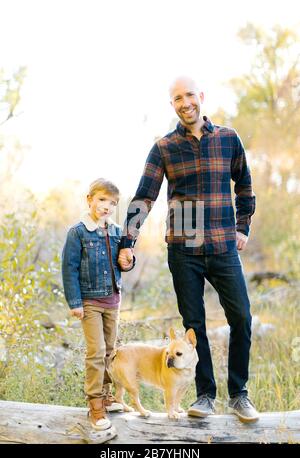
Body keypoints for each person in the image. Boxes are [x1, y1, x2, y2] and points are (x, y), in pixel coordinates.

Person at [118, 76, 259, 423]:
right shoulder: (164, 147)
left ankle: (239, 395)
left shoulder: (228, 138)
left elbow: (245, 185)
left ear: (202, 97)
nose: (185, 102)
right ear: (173, 105)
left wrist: (242, 227)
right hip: (184, 248)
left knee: (240, 316)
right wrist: (127, 242)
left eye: (190, 95)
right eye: (177, 98)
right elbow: (144, 196)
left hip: (224, 245)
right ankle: (205, 394)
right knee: (194, 323)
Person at [62, 178, 135, 431]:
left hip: (112, 300)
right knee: (95, 351)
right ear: (90, 199)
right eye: (102, 200)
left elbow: (122, 262)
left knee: (110, 350)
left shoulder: (116, 232)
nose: (107, 206)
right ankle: (95, 405)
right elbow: (69, 269)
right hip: (90, 302)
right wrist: (75, 302)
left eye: (112, 203)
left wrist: (128, 262)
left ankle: (106, 394)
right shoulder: (78, 232)